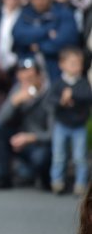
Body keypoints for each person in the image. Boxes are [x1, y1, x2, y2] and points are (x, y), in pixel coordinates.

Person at [0, 58, 52, 190]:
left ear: (40, 75)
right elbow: (0, 120)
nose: (26, 80)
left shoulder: (51, 94)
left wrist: (30, 138)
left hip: (41, 143)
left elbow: (54, 133)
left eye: (30, 76)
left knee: (41, 158)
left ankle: (46, 178)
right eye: (22, 75)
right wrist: (14, 101)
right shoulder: (18, 89)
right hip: (19, 142)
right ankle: (1, 177)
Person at [12, 0, 80, 82]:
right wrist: (47, 31)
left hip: (55, 74)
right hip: (29, 75)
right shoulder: (26, 13)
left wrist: (38, 46)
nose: (39, 0)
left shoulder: (63, 13)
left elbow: (66, 40)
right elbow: (18, 34)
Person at [48, 48, 92, 196]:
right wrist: (62, 101)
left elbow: (88, 96)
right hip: (62, 124)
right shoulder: (58, 83)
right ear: (62, 64)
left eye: (79, 63)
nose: (76, 66)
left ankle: (80, 183)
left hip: (79, 126)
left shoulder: (83, 83)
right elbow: (50, 101)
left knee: (80, 157)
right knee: (59, 155)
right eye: (72, 63)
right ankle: (57, 182)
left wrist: (72, 94)